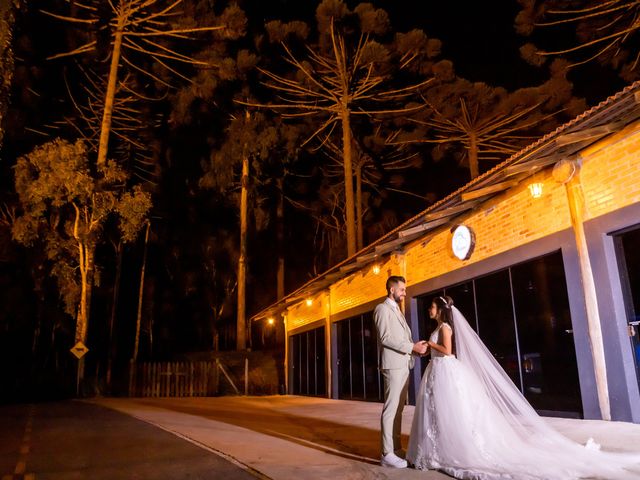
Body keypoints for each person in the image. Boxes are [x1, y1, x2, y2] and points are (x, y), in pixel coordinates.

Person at [407, 295, 640, 479]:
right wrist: (428, 347)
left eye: (432, 307)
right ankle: (436, 449)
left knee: (453, 412)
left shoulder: (445, 328)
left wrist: (431, 345)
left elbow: (449, 351)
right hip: (437, 371)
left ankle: (452, 449)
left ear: (440, 309)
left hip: (446, 369)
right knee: (438, 413)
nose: (429, 310)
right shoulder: (438, 327)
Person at [373, 275, 428, 469]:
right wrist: (412, 347)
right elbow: (386, 338)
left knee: (398, 409)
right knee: (391, 409)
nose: (405, 293)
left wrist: (415, 349)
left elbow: (400, 336)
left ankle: (396, 449)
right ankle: (386, 453)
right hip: (393, 366)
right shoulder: (382, 309)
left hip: (403, 364)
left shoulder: (397, 309)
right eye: (402, 290)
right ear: (392, 290)